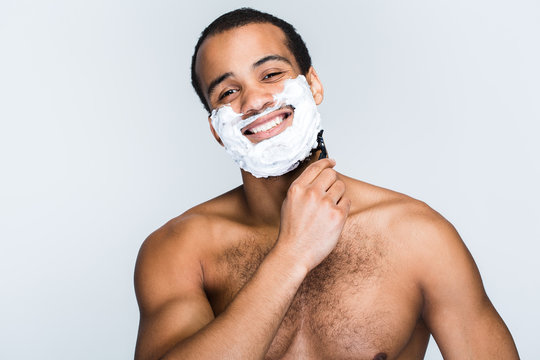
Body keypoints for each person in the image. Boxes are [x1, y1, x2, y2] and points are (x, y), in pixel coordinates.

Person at [134, 8, 519, 360]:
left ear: (313, 85)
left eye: (271, 74)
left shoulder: (418, 237)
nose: (254, 100)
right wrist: (292, 255)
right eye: (228, 92)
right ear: (217, 129)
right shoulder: (178, 250)